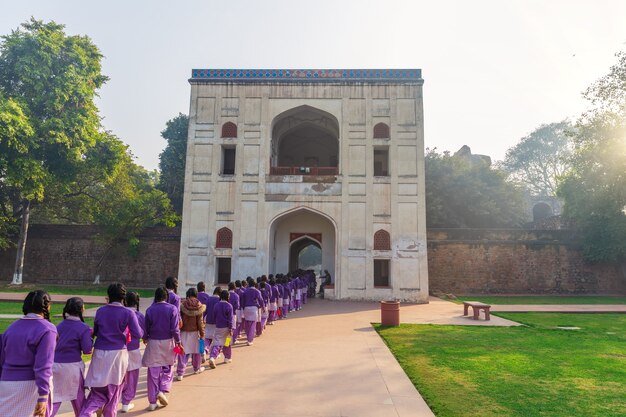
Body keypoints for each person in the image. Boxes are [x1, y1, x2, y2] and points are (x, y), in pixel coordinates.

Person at [79, 283, 143, 417]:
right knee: (114, 392)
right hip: (118, 354)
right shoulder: (128, 313)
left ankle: (87, 413)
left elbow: (95, 332)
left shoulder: (101, 311)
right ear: (123, 297)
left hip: (100, 353)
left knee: (97, 391)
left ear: (108, 296)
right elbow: (138, 334)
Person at [0, 290, 57, 417]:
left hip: (6, 384)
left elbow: (2, 359)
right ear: (47, 306)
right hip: (30, 386)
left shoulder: (12, 327)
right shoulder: (47, 329)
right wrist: (43, 395)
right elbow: (43, 366)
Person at [51, 297, 93, 417]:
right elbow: (87, 350)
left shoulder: (58, 326)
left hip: (55, 366)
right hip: (72, 367)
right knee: (79, 400)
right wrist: (91, 338)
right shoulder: (83, 327)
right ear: (82, 309)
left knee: (55, 399)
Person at [142, 286, 181, 411]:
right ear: (166, 297)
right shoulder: (172, 309)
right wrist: (178, 341)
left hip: (153, 341)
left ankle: (152, 402)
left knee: (153, 372)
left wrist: (145, 338)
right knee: (168, 367)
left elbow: (146, 327)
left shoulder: (150, 310)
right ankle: (163, 390)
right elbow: (175, 329)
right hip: (168, 342)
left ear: (155, 297)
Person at [120, 292, 145, 413]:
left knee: (120, 377)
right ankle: (126, 401)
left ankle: (115, 400)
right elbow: (142, 333)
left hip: (120, 350)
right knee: (133, 377)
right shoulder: (139, 315)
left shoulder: (121, 314)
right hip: (134, 349)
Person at [176, 288, 205, 380]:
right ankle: (197, 368)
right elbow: (200, 323)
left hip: (184, 332)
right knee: (196, 352)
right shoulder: (199, 305)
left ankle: (180, 373)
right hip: (195, 332)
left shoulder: (183, 305)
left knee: (182, 352)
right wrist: (202, 333)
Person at [207, 290, 234, 368]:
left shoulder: (216, 305)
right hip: (227, 328)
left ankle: (212, 357)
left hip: (218, 327)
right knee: (227, 343)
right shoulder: (229, 306)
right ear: (228, 297)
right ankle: (227, 357)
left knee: (217, 343)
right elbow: (230, 319)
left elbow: (214, 315)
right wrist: (230, 328)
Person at [240, 281, 264, 346]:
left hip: (246, 308)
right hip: (254, 308)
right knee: (252, 324)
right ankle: (250, 340)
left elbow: (242, 301)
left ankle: (248, 336)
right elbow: (261, 300)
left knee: (247, 323)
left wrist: (243, 308)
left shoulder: (245, 291)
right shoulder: (257, 291)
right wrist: (262, 307)